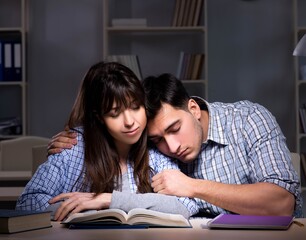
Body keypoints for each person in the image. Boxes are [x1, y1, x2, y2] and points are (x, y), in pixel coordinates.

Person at [48, 73, 302, 218]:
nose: (172, 146)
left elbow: (281, 204)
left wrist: (191, 187)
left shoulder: (249, 119)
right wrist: (80, 138)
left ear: (193, 107)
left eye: (175, 129)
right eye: (157, 140)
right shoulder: (150, 147)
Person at [15, 62, 199, 221]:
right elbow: (27, 202)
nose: (129, 122)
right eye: (115, 113)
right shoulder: (73, 147)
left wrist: (108, 200)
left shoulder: (155, 148)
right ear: (100, 118)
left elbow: (185, 205)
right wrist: (87, 210)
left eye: (135, 107)